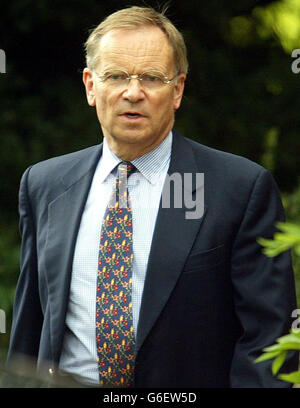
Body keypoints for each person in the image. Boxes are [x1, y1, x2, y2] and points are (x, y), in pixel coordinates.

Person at [7, 6, 298, 388]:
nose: (133, 92)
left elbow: (267, 344)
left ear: (177, 89)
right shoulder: (44, 184)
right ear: (90, 86)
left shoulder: (239, 188)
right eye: (115, 76)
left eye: (151, 77)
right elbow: (29, 330)